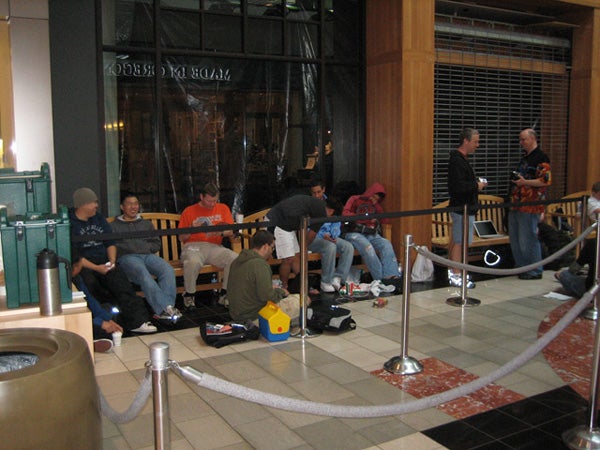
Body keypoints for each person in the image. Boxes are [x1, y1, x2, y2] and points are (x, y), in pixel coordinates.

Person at [69, 187, 157, 334]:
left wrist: (112, 261)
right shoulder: (70, 223)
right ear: (82, 204)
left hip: (104, 260)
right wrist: (97, 268)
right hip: (84, 264)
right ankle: (101, 323)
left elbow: (110, 242)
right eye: (93, 203)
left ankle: (138, 321)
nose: (96, 206)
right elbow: (75, 257)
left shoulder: (98, 218)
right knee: (90, 285)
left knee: (121, 282)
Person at [111, 193, 182, 321]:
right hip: (128, 258)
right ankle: (165, 308)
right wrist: (131, 249)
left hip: (148, 256)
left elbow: (156, 243)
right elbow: (113, 247)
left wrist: (145, 249)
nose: (133, 207)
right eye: (129, 204)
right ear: (122, 207)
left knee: (167, 269)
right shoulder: (114, 226)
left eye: (136, 204)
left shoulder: (146, 224)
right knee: (143, 273)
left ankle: (167, 309)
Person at [178, 183, 237, 309]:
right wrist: (192, 228)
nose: (212, 204)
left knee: (234, 258)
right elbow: (181, 237)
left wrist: (220, 232)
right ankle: (189, 295)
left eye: (215, 201)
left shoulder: (223, 208)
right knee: (192, 262)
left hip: (214, 246)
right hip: (193, 246)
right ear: (201, 197)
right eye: (209, 201)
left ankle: (225, 293)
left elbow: (231, 230)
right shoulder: (189, 211)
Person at [265, 194, 338, 291]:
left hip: (288, 226)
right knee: (288, 259)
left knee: (297, 256)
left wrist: (302, 248)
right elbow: (312, 234)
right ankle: (284, 288)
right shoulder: (321, 212)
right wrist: (304, 247)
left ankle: (304, 287)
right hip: (278, 223)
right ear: (331, 211)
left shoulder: (317, 204)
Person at [228, 230, 301, 325]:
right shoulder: (260, 265)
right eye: (272, 248)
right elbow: (268, 297)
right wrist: (281, 292)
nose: (272, 252)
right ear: (265, 247)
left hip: (237, 315)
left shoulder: (237, 261)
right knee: (301, 300)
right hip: (254, 317)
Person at [447, 128, 488, 288]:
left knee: (461, 241)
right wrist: (476, 185)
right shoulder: (456, 160)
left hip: (467, 207)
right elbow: (457, 186)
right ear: (466, 141)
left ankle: (457, 271)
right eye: (475, 141)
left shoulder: (462, 159)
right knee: (459, 241)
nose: (477, 145)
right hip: (461, 208)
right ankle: (456, 274)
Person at [509, 128, 552, 280]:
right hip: (516, 202)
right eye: (520, 140)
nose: (521, 143)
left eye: (524, 139)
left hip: (530, 204)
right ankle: (521, 266)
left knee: (528, 237)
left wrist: (525, 182)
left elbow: (544, 181)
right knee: (515, 237)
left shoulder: (541, 158)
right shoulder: (524, 158)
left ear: (532, 139)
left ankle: (534, 269)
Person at [342, 183, 401, 286]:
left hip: (370, 232)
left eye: (377, 199)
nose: (374, 200)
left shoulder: (376, 206)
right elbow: (345, 213)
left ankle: (391, 276)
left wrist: (377, 218)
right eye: (373, 196)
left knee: (386, 244)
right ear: (370, 193)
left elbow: (384, 219)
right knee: (368, 248)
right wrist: (362, 217)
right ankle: (381, 280)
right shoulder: (354, 199)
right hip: (354, 232)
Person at [71, 248, 122, 352]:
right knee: (94, 326)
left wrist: (108, 320)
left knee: (108, 310)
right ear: (76, 266)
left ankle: (90, 341)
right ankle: (88, 343)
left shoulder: (77, 279)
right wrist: (100, 323)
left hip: (87, 315)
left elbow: (90, 300)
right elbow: (73, 316)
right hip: (75, 319)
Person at [309, 179, 354, 291]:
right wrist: (323, 235)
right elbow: (307, 228)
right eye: (314, 193)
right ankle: (326, 281)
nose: (316, 195)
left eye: (318, 192)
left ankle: (338, 278)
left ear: (323, 189)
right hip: (312, 238)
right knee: (330, 246)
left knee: (348, 247)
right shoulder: (308, 204)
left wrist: (333, 235)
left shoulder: (331, 202)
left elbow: (336, 220)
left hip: (329, 237)